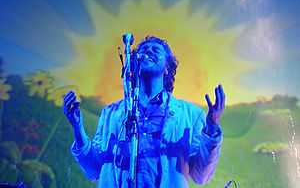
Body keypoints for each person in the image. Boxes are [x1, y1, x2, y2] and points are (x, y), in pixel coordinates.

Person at [63, 36, 225, 188]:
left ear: (167, 69)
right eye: (144, 49)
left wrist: (211, 129)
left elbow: (200, 175)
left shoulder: (191, 115)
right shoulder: (111, 113)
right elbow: (94, 169)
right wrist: (77, 128)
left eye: (155, 50)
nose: (148, 51)